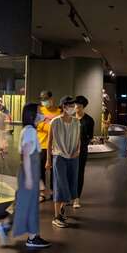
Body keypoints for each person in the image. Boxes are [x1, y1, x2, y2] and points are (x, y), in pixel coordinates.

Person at [0, 103, 51, 248]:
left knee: (25, 203)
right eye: (38, 112)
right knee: (26, 204)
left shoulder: (29, 130)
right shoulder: (30, 131)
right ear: (32, 115)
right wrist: (31, 179)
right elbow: (26, 154)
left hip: (29, 172)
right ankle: (29, 236)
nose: (41, 114)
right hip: (28, 173)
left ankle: (13, 229)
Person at [46, 96, 81, 228]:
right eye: (70, 106)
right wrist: (48, 160)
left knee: (71, 185)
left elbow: (78, 139)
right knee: (60, 185)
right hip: (59, 156)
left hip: (73, 157)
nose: (72, 108)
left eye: (73, 105)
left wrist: (78, 150)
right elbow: (49, 143)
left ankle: (61, 211)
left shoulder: (76, 122)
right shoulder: (55, 122)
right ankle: (56, 216)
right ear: (64, 107)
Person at [37, 90, 61, 202]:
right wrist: (50, 125)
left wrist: (47, 123)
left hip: (55, 146)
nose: (45, 102)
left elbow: (59, 127)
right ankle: (41, 193)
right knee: (40, 169)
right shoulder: (39, 110)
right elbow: (38, 125)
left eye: (47, 99)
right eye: (43, 100)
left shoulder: (58, 111)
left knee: (54, 170)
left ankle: (52, 191)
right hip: (41, 144)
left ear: (52, 99)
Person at [73, 95, 94, 209]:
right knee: (70, 174)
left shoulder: (89, 120)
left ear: (83, 107)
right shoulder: (70, 118)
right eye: (75, 105)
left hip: (81, 151)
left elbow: (90, 136)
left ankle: (77, 198)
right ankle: (69, 196)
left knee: (79, 173)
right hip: (68, 150)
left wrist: (82, 144)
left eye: (79, 106)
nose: (77, 107)